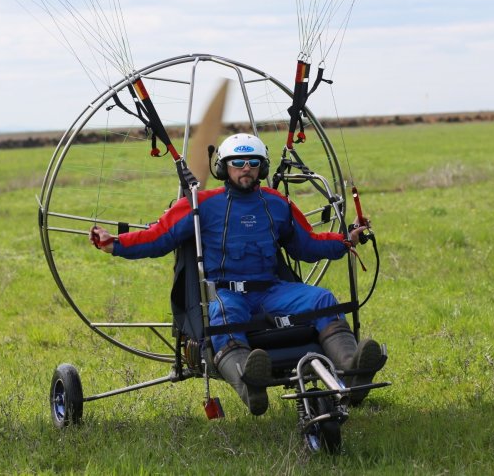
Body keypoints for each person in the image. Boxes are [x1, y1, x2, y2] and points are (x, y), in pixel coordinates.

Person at [90, 133, 382, 415]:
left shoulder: (277, 204)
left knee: (323, 300)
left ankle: (354, 372)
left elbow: (306, 245)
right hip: (229, 294)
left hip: (272, 291)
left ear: (262, 167)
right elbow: (158, 237)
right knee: (226, 318)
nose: (246, 169)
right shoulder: (200, 204)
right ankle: (250, 386)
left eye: (253, 163)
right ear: (223, 167)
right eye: (238, 163)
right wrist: (114, 244)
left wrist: (346, 240)